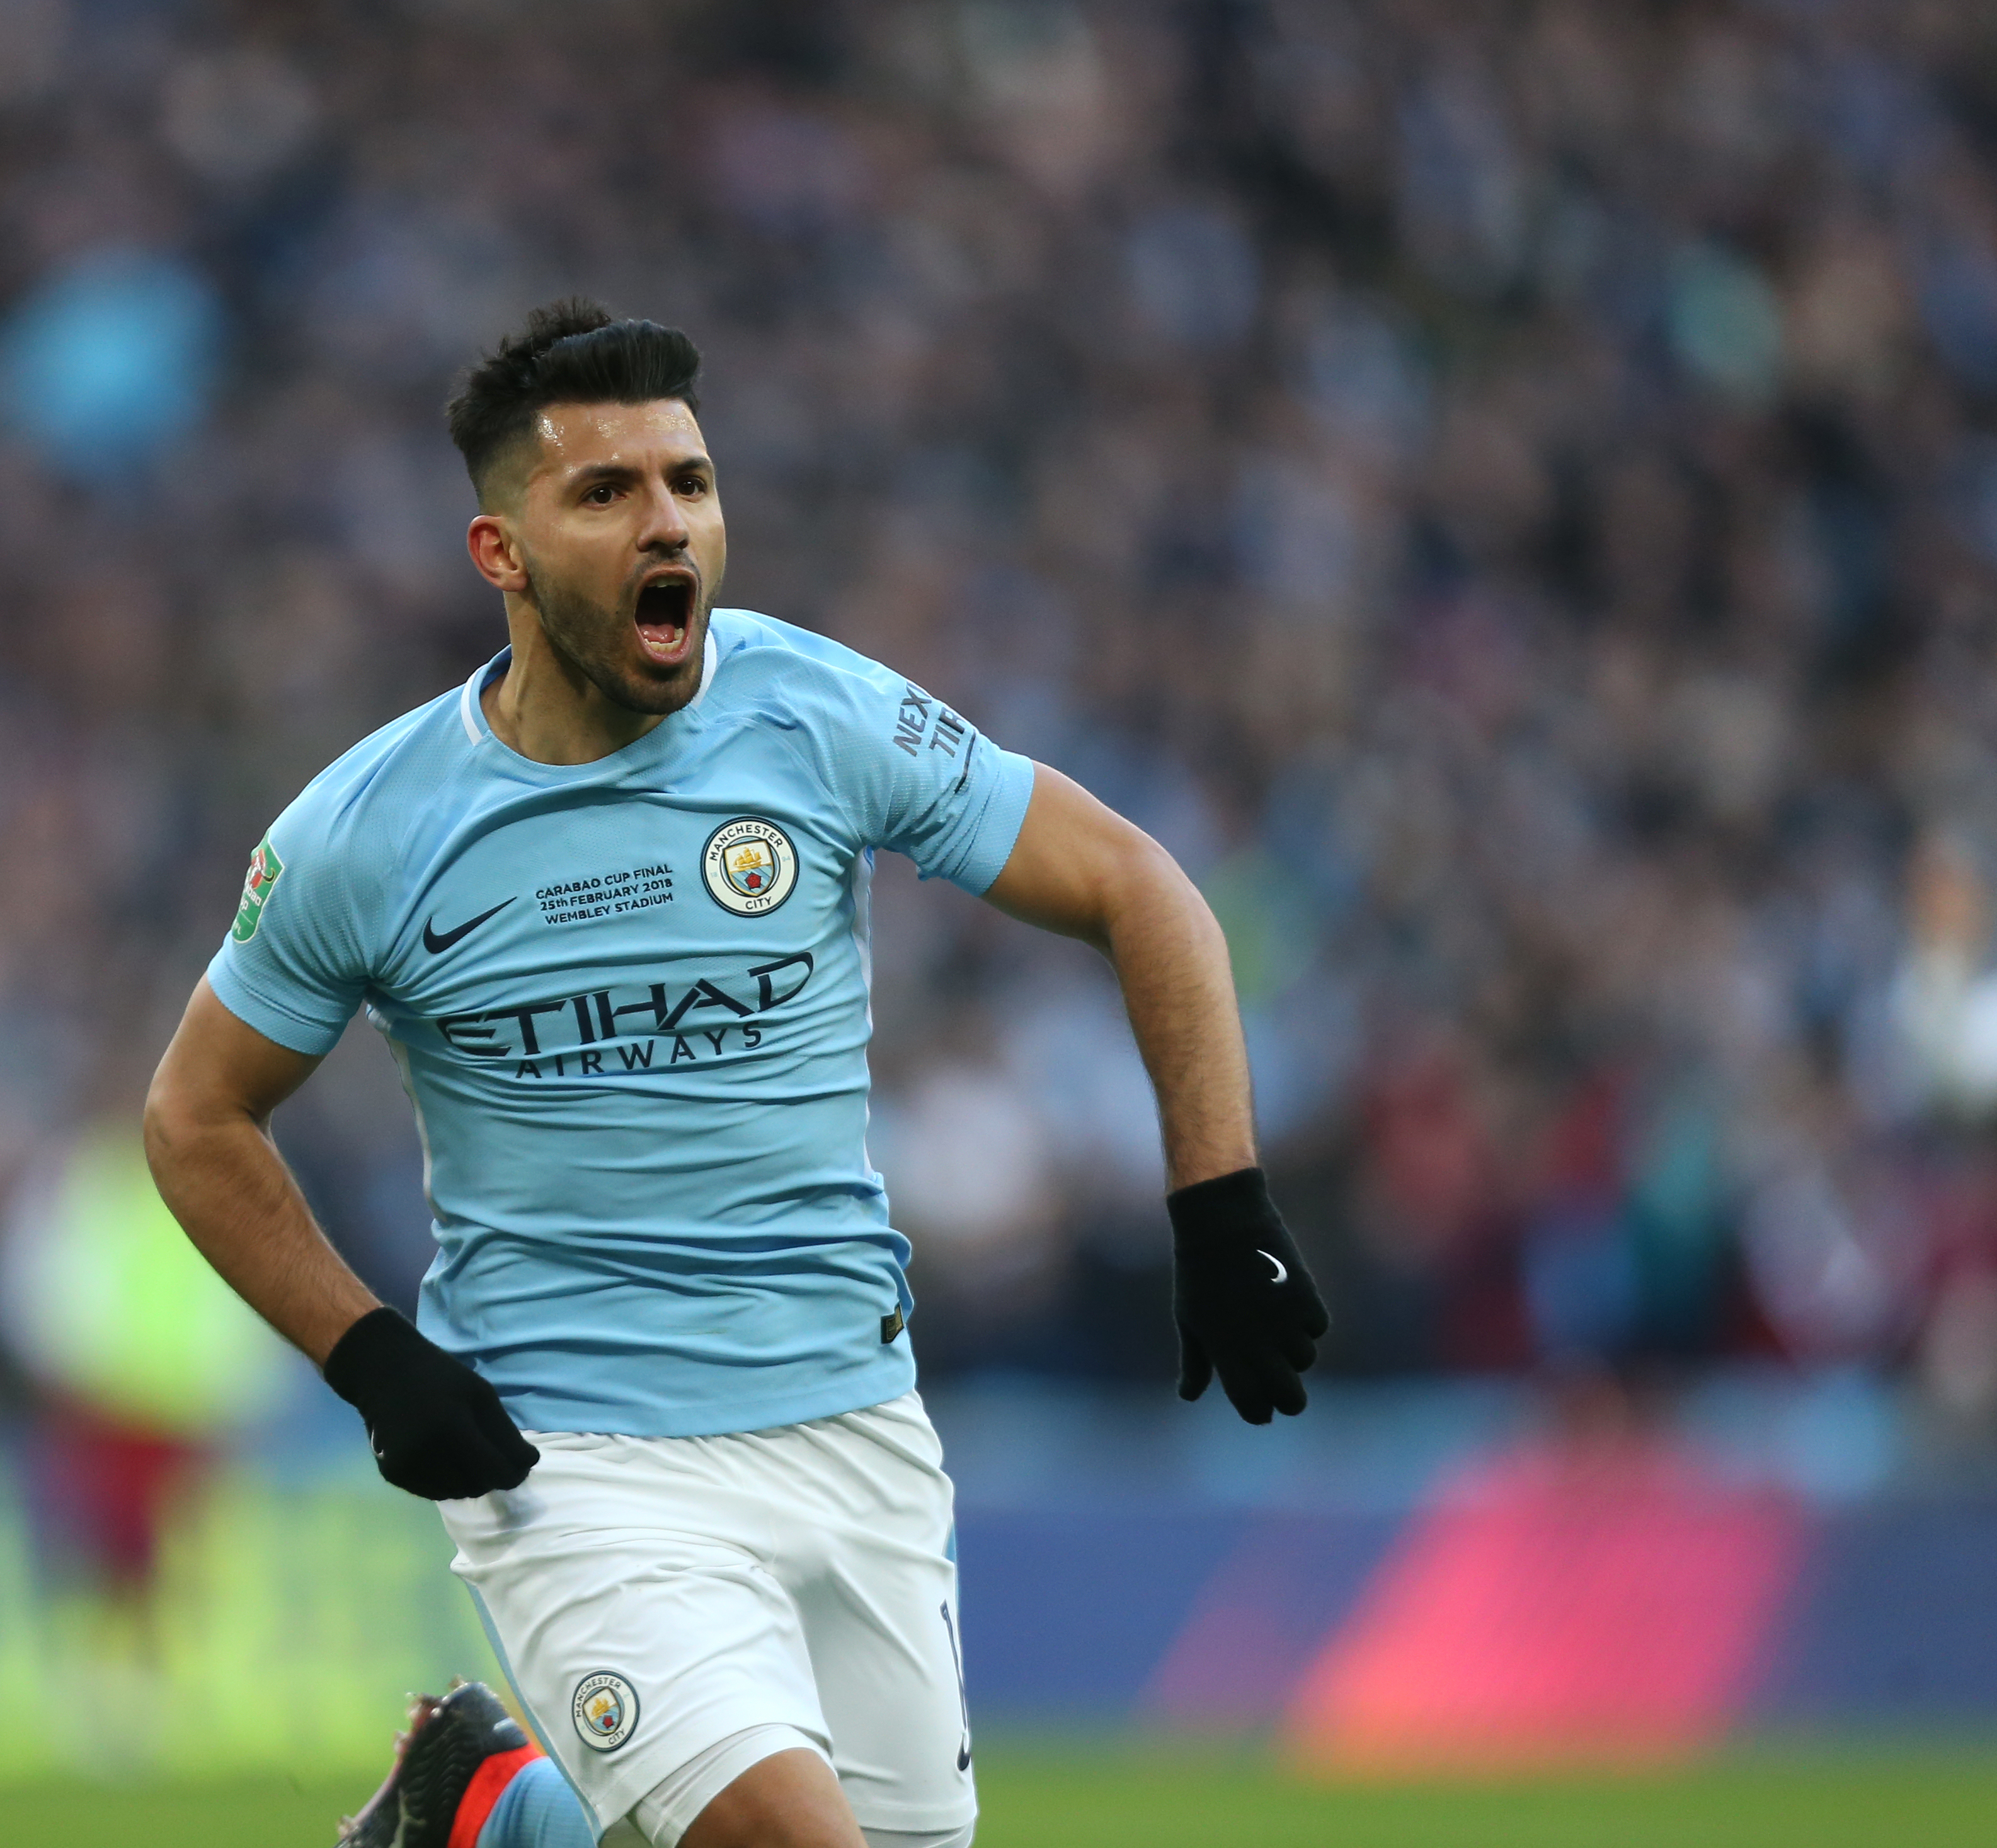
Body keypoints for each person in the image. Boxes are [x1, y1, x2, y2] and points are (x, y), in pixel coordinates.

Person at [141, 300, 1328, 1848]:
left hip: (856, 1421)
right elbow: (194, 1115)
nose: (670, 525)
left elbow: (1141, 887)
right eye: (608, 492)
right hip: (577, 1456)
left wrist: (1218, 1201)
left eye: (690, 484)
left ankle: (499, 1809)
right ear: (502, 554)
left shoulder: (816, 714)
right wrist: (372, 1359)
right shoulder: (371, 830)